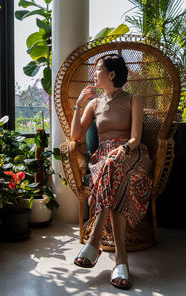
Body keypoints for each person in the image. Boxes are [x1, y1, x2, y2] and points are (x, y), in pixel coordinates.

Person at [71, 54, 152, 290]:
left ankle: (94, 241)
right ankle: (121, 259)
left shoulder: (132, 99)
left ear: (111, 74)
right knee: (110, 168)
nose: (93, 74)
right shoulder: (93, 104)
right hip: (104, 159)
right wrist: (78, 104)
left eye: (97, 69)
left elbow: (136, 137)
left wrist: (123, 149)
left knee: (113, 166)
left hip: (132, 155)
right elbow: (76, 136)